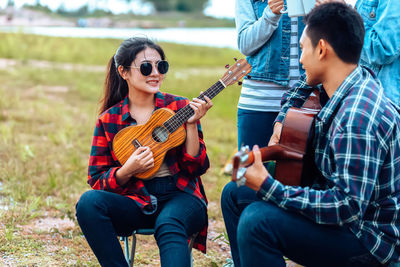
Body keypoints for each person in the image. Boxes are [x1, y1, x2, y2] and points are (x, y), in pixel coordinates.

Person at [222, 2, 400, 266]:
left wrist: (269, 186)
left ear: (322, 49)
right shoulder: (346, 79)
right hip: (346, 215)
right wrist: (281, 122)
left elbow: (345, 209)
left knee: (257, 221)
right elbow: (300, 90)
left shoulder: (357, 117)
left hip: (367, 240)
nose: (300, 59)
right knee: (234, 193)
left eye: (303, 49)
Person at [75, 37, 213, 267]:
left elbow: (197, 167)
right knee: (88, 203)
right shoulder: (109, 119)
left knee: (169, 224)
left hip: (181, 196)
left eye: (162, 66)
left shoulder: (179, 107)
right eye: (147, 67)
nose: (155, 73)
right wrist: (127, 170)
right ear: (123, 72)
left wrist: (190, 125)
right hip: (136, 198)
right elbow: (97, 179)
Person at [221, 1, 306, 265]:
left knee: (299, 176)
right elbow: (245, 44)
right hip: (256, 100)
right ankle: (242, 260)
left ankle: (281, 244)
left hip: (305, 101)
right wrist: (270, 14)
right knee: (243, 179)